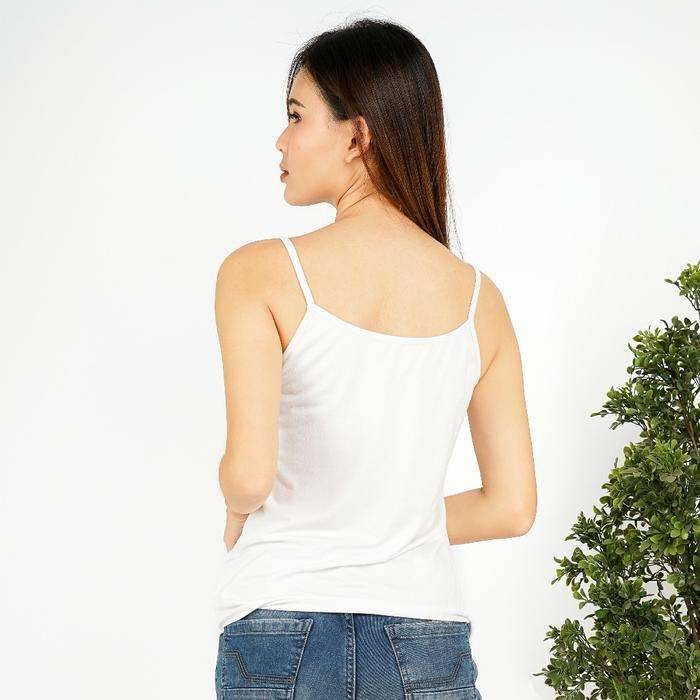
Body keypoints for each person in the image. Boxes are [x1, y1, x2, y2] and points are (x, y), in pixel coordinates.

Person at [212, 17, 536, 700]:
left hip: (282, 624)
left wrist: (238, 508)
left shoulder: (259, 273)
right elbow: (510, 507)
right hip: (425, 637)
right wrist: (389, 518)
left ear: (356, 136)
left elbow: (248, 475)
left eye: (296, 116)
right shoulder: (480, 302)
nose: (280, 140)